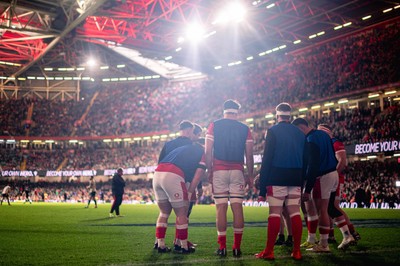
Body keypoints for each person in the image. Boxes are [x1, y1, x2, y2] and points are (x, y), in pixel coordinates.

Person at [292, 118, 355, 253]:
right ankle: (347, 235)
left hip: (322, 176)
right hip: (333, 174)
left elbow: (313, 165)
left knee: (322, 211)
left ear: (300, 128)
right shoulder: (324, 135)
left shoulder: (310, 140)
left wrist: (307, 189)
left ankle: (324, 244)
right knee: (331, 208)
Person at [256, 102, 305, 261]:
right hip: (296, 177)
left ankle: (269, 251)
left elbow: (267, 159)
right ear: (290, 115)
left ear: (277, 115)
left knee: (275, 213)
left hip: (277, 176)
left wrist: (262, 189)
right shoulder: (299, 133)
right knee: (295, 213)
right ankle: (296, 251)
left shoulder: (273, 131)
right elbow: (305, 159)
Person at [205, 99, 254, 258]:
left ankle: (222, 247)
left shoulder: (214, 125)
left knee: (221, 208)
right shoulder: (245, 128)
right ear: (236, 112)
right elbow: (249, 155)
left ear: (224, 110)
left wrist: (209, 170)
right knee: (237, 207)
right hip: (237, 170)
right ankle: (237, 247)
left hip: (219, 169)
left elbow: (208, 151)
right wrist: (250, 175)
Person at [153, 140, 206, 254]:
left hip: (157, 174)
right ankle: (183, 246)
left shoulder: (184, 148)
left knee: (163, 213)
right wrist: (191, 192)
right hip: (173, 175)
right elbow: (197, 176)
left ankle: (160, 245)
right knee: (182, 213)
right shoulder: (202, 152)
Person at [317, 124, 361, 242]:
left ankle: (351, 233)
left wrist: (332, 175)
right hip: (332, 177)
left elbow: (342, 161)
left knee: (332, 206)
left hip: (333, 177)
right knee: (327, 207)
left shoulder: (334, 142)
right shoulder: (328, 143)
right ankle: (331, 235)